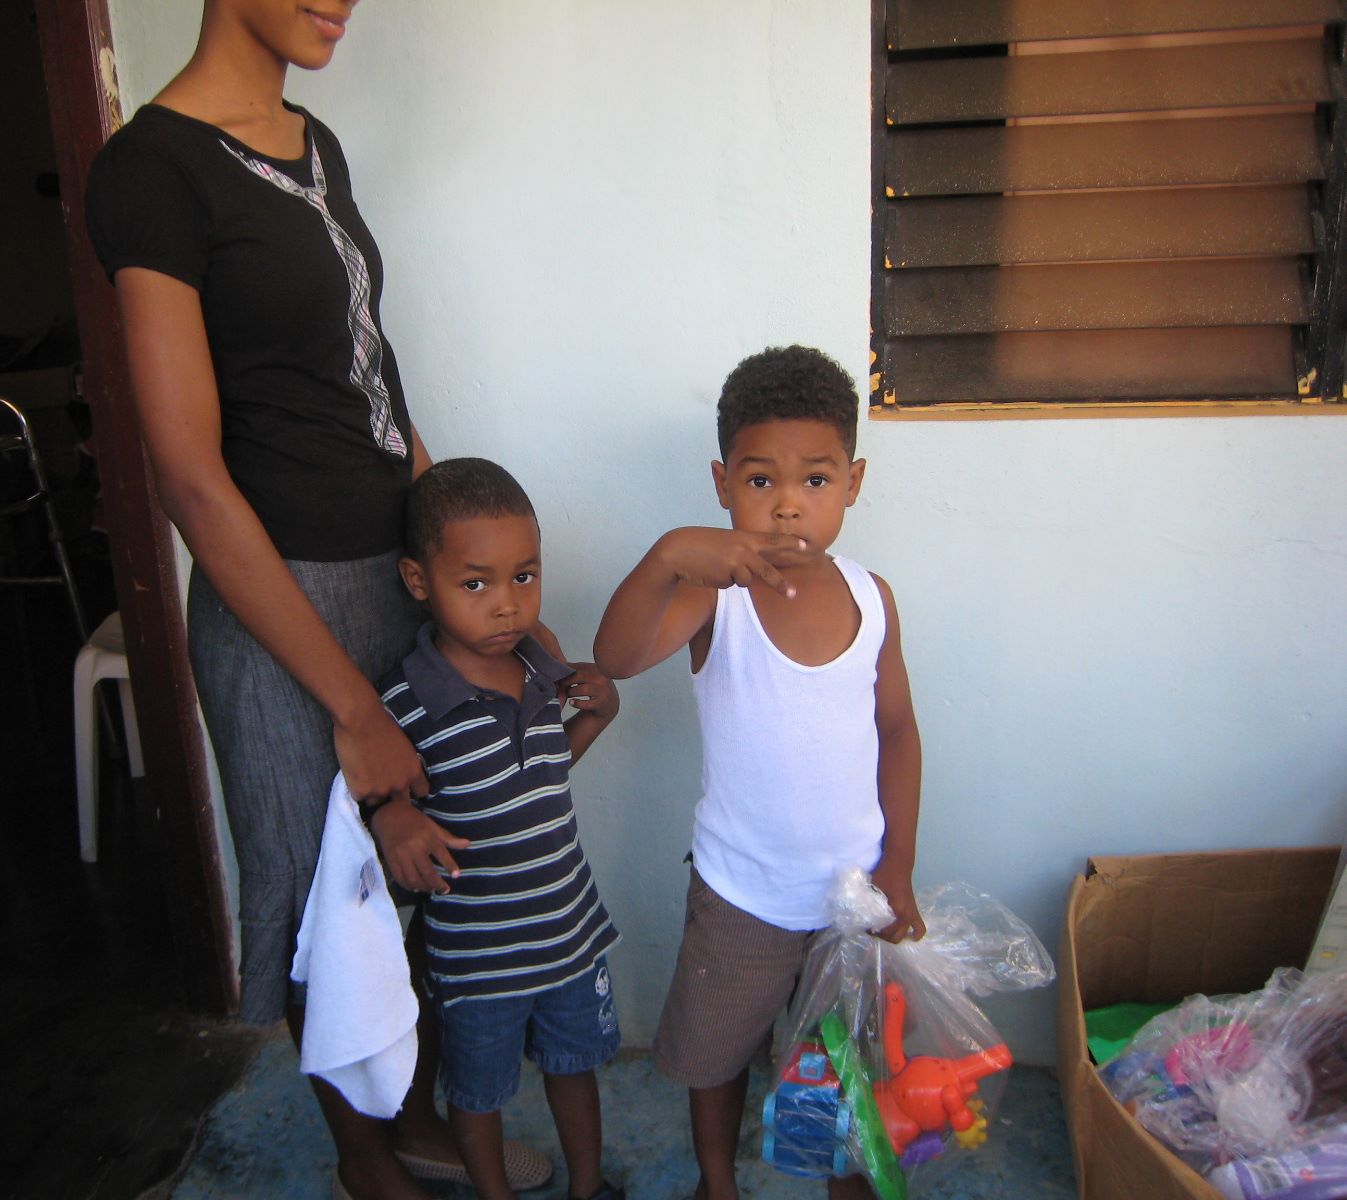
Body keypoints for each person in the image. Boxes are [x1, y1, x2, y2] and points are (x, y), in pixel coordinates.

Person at [83, 3, 551, 1196]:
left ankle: (417, 1115)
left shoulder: (312, 140)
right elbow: (190, 477)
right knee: (319, 893)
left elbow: (369, 377)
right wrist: (352, 704)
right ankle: (364, 1159)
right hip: (280, 602)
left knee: (424, 860)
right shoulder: (150, 170)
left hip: (391, 568)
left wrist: (465, 574)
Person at [592, 345, 925, 1200]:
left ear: (852, 482)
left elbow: (896, 732)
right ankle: (717, 1181)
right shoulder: (715, 596)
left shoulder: (872, 598)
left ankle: (844, 1184)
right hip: (740, 892)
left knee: (842, 1068)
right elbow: (616, 658)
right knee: (717, 1056)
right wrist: (667, 556)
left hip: (850, 897)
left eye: (814, 479)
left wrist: (898, 865)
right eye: (758, 480)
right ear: (721, 484)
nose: (786, 505)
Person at [372, 458, 624, 1200]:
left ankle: (587, 1188)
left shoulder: (540, 668)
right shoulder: (405, 700)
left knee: (574, 1071)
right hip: (477, 957)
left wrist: (596, 717)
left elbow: (540, 776)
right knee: (477, 1096)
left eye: (524, 576)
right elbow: (373, 795)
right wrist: (390, 812)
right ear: (419, 581)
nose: (507, 605)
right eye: (475, 584)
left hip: (567, 933)